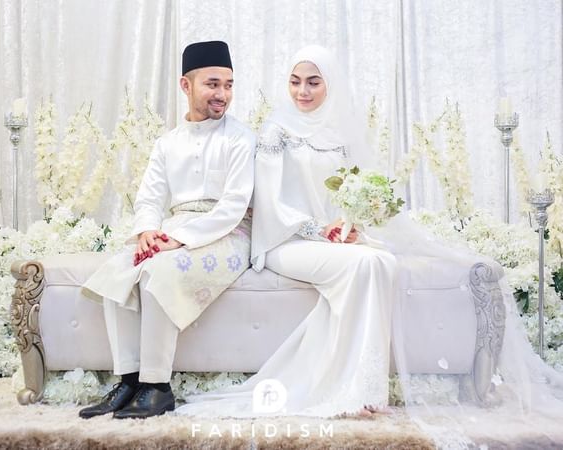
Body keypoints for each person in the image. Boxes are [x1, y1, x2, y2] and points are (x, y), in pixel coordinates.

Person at [176, 46, 563, 446]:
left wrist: (351, 224)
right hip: (285, 241)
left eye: (313, 82)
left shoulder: (339, 134)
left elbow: (351, 194)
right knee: (363, 266)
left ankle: (364, 388)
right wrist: (319, 229)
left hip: (331, 242)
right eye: (295, 82)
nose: (302, 92)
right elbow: (272, 205)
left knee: (379, 261)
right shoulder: (277, 130)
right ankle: (349, 388)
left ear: (330, 83)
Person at [78, 40, 255, 420]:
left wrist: (178, 239)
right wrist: (146, 233)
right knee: (119, 269)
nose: (222, 94)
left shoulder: (241, 138)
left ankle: (157, 386)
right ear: (185, 85)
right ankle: (128, 380)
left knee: (157, 271)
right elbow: (148, 199)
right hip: (176, 226)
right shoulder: (167, 142)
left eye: (228, 84)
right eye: (212, 84)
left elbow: (234, 207)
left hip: (229, 232)